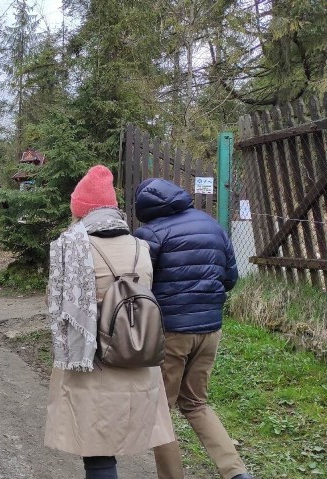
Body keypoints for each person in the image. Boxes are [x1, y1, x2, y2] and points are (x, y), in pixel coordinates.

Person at [44, 165, 175, 479]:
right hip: (139, 357)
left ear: (80, 211)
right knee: (120, 437)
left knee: (99, 455)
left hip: (94, 361)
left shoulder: (71, 248)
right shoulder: (141, 248)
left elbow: (56, 305)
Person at [132, 178, 255, 479]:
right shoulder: (212, 225)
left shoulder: (149, 234)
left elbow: (139, 287)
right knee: (196, 402)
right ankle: (236, 472)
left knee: (161, 411)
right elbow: (230, 278)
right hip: (210, 329)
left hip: (171, 333)